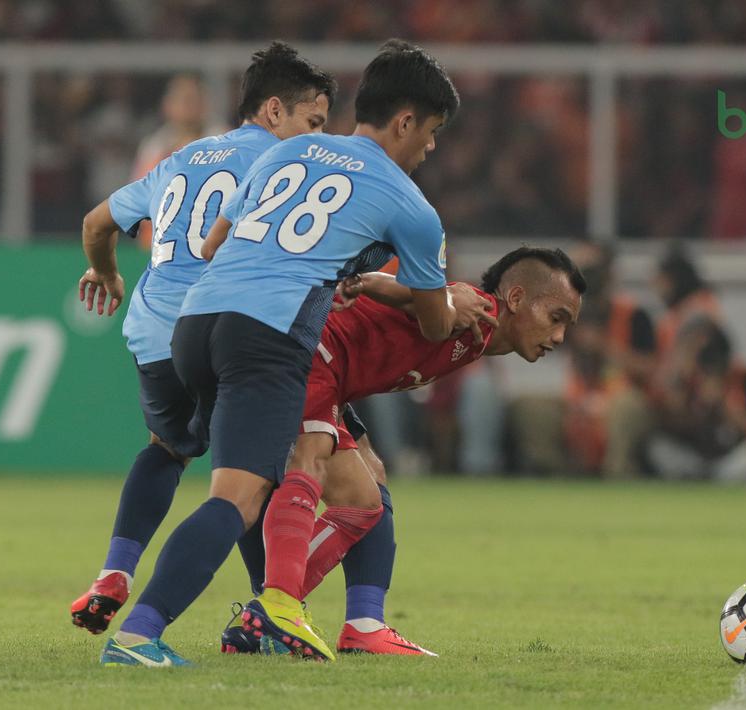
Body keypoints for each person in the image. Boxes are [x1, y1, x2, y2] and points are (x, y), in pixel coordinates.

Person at [101, 39, 470, 666]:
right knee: (237, 498)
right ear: (405, 121)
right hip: (267, 337)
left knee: (269, 483)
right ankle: (139, 635)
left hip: (196, 322)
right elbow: (436, 327)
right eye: (431, 132)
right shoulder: (411, 206)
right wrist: (454, 303)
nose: (430, 147)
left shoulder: (292, 149)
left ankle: (274, 612)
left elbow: (217, 241)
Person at [66, 42, 337, 664]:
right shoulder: (287, 165)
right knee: (249, 480)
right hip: (227, 325)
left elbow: (95, 223)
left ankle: (117, 569)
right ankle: (246, 615)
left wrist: (104, 273)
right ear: (274, 110)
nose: (319, 137)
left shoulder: (179, 157)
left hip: (153, 330)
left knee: (169, 449)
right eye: (313, 122)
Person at [223, 246, 584, 657]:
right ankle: (274, 606)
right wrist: (364, 282)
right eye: (557, 318)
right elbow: (405, 288)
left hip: (332, 375)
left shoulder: (479, 339)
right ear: (516, 299)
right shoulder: (474, 307)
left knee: (370, 478)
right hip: (310, 355)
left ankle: (361, 624)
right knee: (339, 485)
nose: (559, 337)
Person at [563, 243, 657, 478]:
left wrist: (605, 347)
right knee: (533, 409)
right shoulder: (567, 314)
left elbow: (652, 369)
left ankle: (618, 473)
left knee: (626, 405)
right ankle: (553, 475)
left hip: (621, 399)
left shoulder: (634, 314)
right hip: (578, 398)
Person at [647, 316, 746, 482]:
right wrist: (694, 401)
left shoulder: (745, 376)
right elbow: (669, 424)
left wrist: (721, 404)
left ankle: (713, 481)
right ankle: (697, 479)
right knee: (658, 448)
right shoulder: (684, 380)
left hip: (732, 461)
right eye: (692, 348)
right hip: (695, 460)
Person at [131, 74, 225, 249]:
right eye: (183, 99)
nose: (189, 105)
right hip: (159, 249)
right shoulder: (154, 147)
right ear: (167, 105)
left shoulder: (225, 143)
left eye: (194, 99)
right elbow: (139, 203)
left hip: (211, 248)